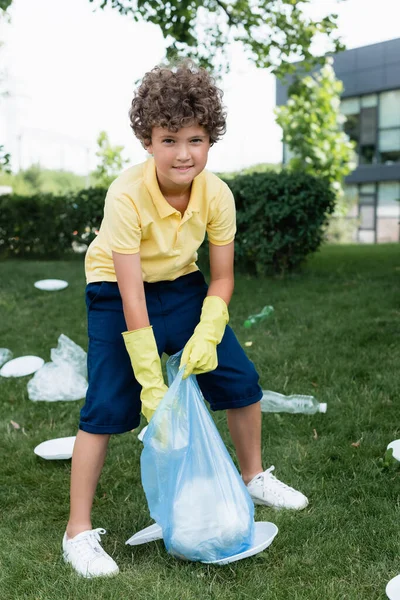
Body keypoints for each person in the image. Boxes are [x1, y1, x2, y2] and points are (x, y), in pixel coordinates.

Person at [62, 61, 308, 578]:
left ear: (210, 139)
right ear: (147, 140)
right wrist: (151, 380)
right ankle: (77, 532)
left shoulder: (217, 195)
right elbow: (131, 297)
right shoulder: (125, 195)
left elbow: (221, 277)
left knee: (241, 382)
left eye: (195, 139)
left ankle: (252, 476)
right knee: (106, 405)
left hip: (183, 285)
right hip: (115, 290)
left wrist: (210, 325)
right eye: (169, 139)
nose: (183, 153)